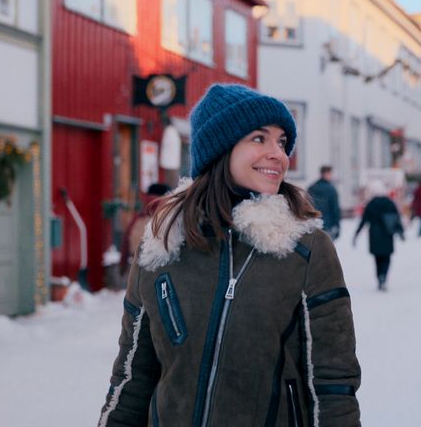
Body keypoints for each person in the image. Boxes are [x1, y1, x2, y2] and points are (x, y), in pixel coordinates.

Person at [100, 84, 360, 426]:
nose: (279, 154)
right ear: (220, 148)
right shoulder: (163, 244)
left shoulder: (305, 248)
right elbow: (131, 378)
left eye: (281, 142)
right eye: (259, 138)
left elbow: (333, 384)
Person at [353, 180, 404, 291]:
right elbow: (397, 218)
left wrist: (356, 234)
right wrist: (401, 232)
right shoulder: (389, 202)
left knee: (377, 258)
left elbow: (363, 220)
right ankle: (384, 276)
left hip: (374, 234)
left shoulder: (371, 204)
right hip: (387, 234)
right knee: (386, 257)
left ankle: (379, 277)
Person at [122, 182, 172, 271]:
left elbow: (126, 243)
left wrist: (123, 266)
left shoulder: (137, 219)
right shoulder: (169, 219)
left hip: (135, 269)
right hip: (161, 271)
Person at [308, 164, 342, 240]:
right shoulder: (331, 189)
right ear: (326, 174)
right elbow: (335, 209)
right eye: (330, 174)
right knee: (326, 250)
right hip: (327, 226)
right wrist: (337, 225)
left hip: (313, 225)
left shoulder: (311, 188)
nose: (331, 176)